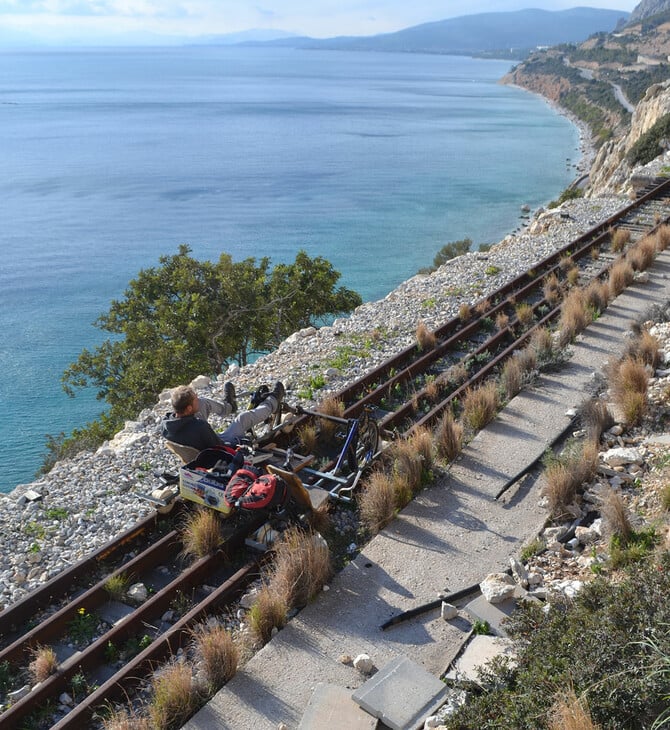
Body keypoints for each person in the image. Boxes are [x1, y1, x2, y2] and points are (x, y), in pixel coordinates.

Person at [162, 381, 285, 452]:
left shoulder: (166, 424)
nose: (197, 399)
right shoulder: (200, 426)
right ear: (189, 408)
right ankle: (273, 401)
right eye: (195, 399)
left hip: (197, 445)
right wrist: (241, 441)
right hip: (214, 450)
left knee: (204, 403)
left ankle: (229, 406)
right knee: (243, 419)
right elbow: (221, 447)